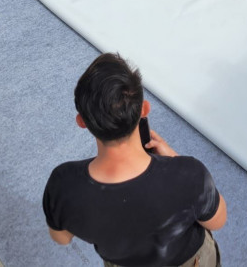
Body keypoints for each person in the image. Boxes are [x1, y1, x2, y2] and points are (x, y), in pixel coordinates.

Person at [43, 53, 227, 267]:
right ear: (144, 110)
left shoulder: (63, 184)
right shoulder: (189, 174)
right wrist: (174, 158)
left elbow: (61, 238)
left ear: (81, 122)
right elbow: (218, 221)